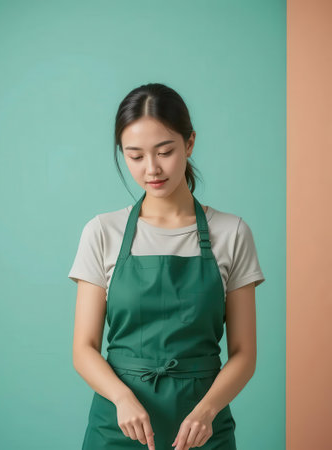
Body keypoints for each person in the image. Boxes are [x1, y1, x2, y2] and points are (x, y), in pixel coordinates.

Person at [68, 83, 265, 450]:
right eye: (135, 156)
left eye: (165, 152)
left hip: (202, 429)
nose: (152, 169)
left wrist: (206, 412)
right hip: (117, 426)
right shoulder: (102, 232)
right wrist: (122, 399)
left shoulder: (232, 232)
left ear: (189, 144)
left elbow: (244, 353)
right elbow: (84, 348)